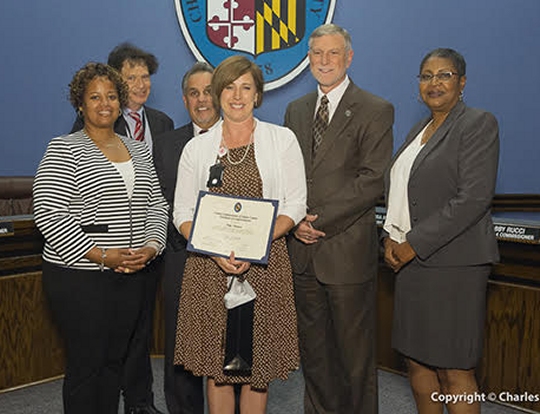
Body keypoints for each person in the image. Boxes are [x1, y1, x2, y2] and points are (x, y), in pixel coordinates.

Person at [172, 55, 306, 414]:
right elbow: (182, 212)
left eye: (246, 87)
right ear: (217, 94)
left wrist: (255, 245)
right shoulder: (196, 148)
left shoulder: (283, 140)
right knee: (216, 370)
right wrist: (214, 251)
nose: (237, 95)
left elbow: (295, 205)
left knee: (256, 369)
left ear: (258, 95)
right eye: (229, 86)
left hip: (265, 266)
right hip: (208, 268)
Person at [33, 62, 168, 414]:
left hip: (130, 274)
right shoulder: (64, 148)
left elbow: (157, 204)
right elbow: (49, 214)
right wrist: (101, 254)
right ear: (80, 103)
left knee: (114, 362)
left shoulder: (136, 149)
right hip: (80, 276)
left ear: (120, 101)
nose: (104, 103)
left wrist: (152, 248)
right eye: (94, 97)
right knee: (86, 365)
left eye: (111, 95)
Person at [284, 24, 394, 414]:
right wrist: (293, 221)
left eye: (333, 53)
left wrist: (316, 220)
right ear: (308, 59)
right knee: (314, 356)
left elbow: (371, 180)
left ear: (349, 57)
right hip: (302, 252)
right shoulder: (295, 111)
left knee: (355, 360)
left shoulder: (375, 109)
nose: (325, 61)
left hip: (345, 251)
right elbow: (288, 176)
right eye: (317, 53)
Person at [382, 48, 499, 414]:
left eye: (444, 75)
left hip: (454, 265)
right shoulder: (419, 129)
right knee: (417, 361)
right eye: (426, 75)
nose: (434, 83)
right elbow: (403, 193)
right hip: (411, 264)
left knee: (454, 366)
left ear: (461, 83)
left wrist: (412, 245)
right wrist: (390, 237)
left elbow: (473, 199)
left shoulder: (478, 123)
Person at [72, 43, 173, 414]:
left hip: (149, 248)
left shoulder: (161, 123)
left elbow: (159, 192)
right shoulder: (91, 127)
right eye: (131, 77)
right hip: (100, 261)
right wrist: (105, 252)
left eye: (145, 76)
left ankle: (140, 402)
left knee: (140, 330)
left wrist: (153, 242)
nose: (140, 84)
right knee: (104, 346)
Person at [153, 61, 220, 414]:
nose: (202, 100)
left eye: (209, 91)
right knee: (183, 352)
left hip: (236, 263)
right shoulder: (165, 146)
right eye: (194, 93)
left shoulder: (245, 138)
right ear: (184, 100)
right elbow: (158, 204)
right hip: (182, 258)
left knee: (231, 354)